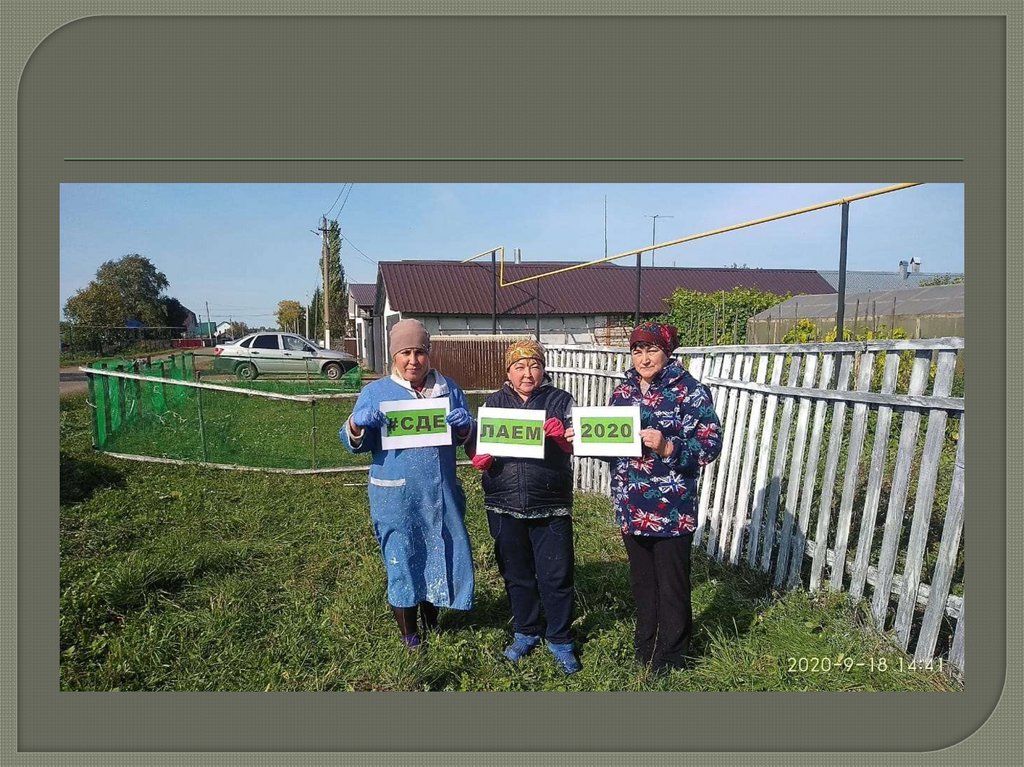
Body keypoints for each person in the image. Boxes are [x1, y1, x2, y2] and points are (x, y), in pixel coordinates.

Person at [570, 321, 722, 673]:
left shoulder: (690, 391)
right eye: (637, 351)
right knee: (642, 583)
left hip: (672, 509)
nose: (644, 358)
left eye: (651, 349)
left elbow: (710, 443)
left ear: (667, 352)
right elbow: (614, 446)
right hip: (631, 504)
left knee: (672, 584)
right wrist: (583, 440)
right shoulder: (623, 392)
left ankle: (672, 656)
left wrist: (669, 446)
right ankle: (646, 647)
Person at [340, 319, 476, 652]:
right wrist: (357, 423)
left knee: (437, 551)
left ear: (428, 354)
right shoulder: (376, 393)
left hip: (440, 492)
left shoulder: (448, 389)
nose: (413, 360)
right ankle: (409, 635)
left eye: (419, 352)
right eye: (405, 353)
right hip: (395, 494)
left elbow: (467, 440)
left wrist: (465, 427)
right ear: (394, 356)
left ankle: (433, 620)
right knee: (401, 556)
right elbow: (353, 443)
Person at [470, 339, 582, 675]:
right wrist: (482, 458)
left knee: (556, 575)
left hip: (551, 502)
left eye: (534, 365)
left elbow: (579, 443)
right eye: (519, 367)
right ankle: (526, 631)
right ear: (508, 372)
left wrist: (562, 438)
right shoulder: (494, 403)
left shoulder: (561, 400)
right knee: (516, 573)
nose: (528, 373)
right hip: (503, 502)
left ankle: (560, 638)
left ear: (543, 369)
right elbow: (480, 447)